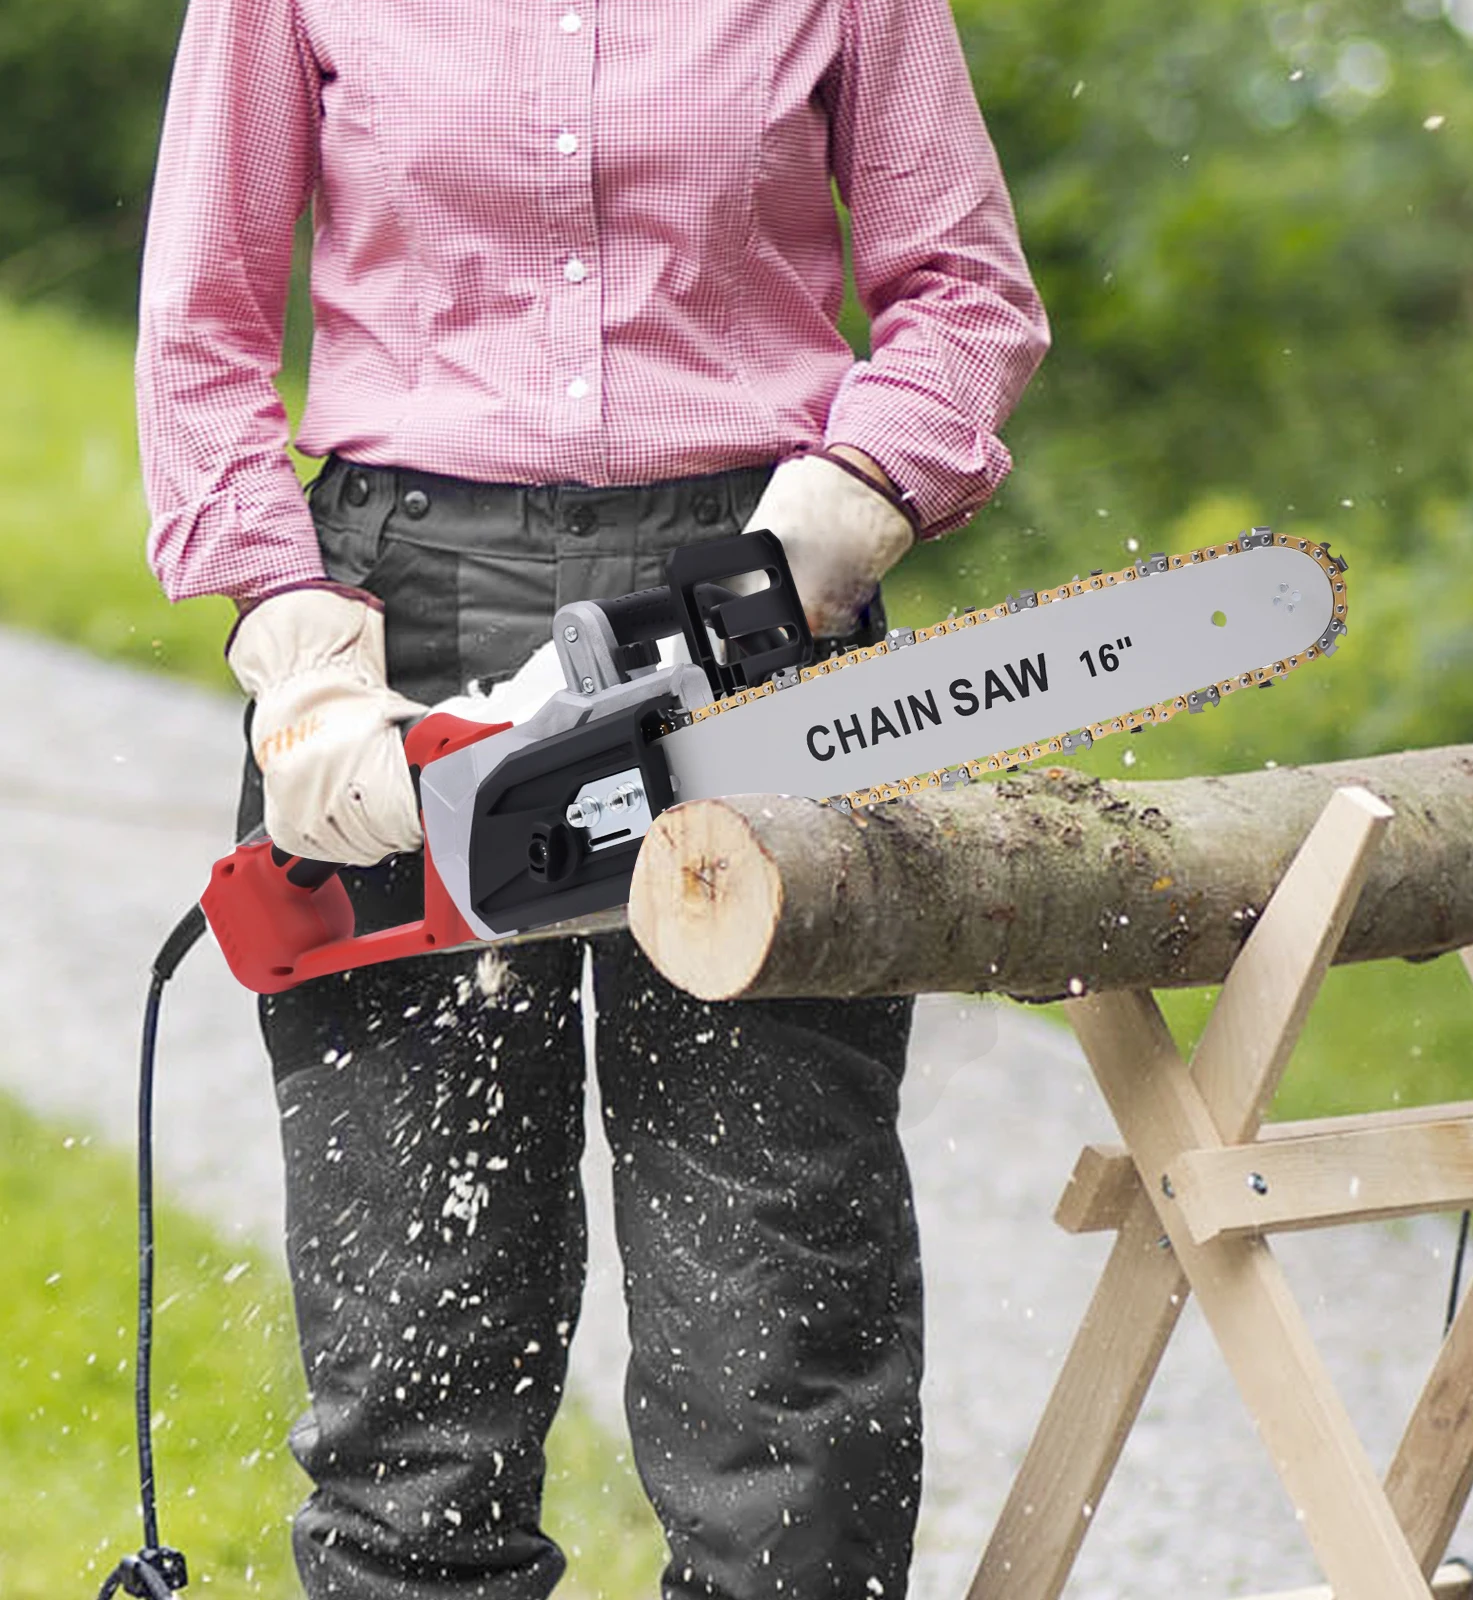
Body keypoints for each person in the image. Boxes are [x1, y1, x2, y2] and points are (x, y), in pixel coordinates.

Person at [135, 0, 1048, 1594]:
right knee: (415, 1361)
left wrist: (850, 502)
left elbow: (967, 296)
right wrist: (291, 627)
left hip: (759, 603)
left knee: (784, 1339)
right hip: (402, 619)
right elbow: (200, 329)